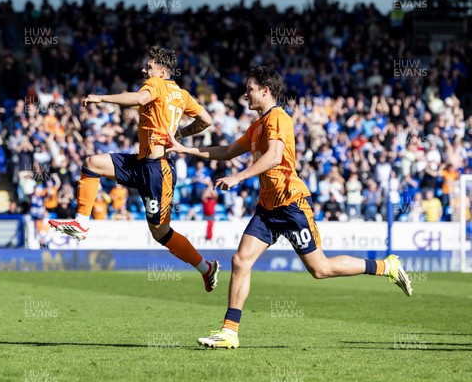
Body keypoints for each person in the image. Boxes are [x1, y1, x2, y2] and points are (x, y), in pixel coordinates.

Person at [167, 65, 413, 349]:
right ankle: (229, 332)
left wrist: (238, 177)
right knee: (240, 260)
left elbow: (273, 157)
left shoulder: (279, 118)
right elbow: (227, 151)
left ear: (265, 91)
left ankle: (386, 266)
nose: (245, 93)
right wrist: (184, 149)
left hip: (291, 204)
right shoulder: (258, 125)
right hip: (268, 207)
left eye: (249, 89)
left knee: (320, 269)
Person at [49, 46, 220, 292]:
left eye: (149, 67)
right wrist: (180, 133)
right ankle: (81, 223)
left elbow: (139, 99)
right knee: (92, 163)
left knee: (160, 233)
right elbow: (207, 120)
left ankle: (206, 268)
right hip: (141, 162)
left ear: (162, 71)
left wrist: (101, 97)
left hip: (157, 171)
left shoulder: (157, 85)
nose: (144, 70)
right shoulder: (182, 95)